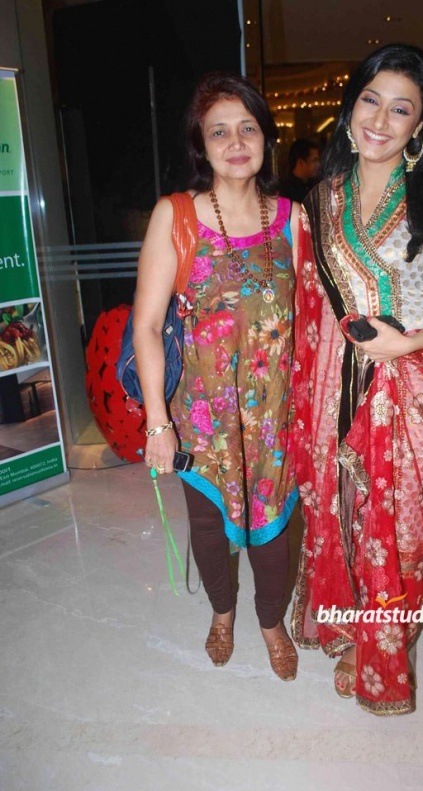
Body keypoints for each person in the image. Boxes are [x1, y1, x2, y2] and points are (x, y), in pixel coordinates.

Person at [290, 44, 423, 715]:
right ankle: (347, 627)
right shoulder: (320, 199)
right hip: (331, 384)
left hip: (407, 387)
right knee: (339, 506)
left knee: (396, 525)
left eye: (400, 109)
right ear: (350, 109)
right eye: (370, 100)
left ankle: (384, 640)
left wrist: (406, 342)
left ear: (420, 124)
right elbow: (306, 298)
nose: (380, 119)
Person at [132, 72, 300, 681]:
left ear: (266, 139)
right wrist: (157, 422)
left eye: (247, 128)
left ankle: (272, 622)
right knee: (208, 524)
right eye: (219, 131)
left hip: (275, 412)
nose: (235, 142)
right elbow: (147, 325)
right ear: (201, 146)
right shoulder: (176, 215)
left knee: (274, 527)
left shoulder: (293, 220)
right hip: (201, 413)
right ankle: (223, 615)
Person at [279, 138, 321, 203]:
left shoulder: (316, 185)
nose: (318, 164)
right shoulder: (285, 191)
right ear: (300, 163)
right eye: (314, 160)